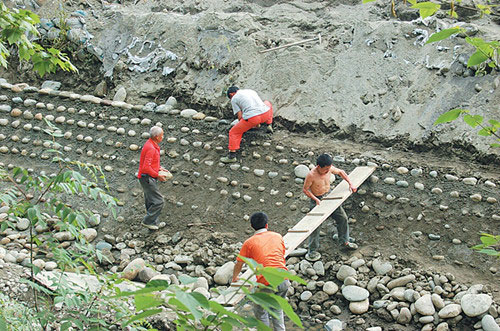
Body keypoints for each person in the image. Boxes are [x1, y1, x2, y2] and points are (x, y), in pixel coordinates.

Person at [232, 212, 290, 331]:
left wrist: (235, 278)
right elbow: (281, 255)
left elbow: (239, 262)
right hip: (283, 279)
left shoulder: (249, 242)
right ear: (267, 225)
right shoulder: (278, 236)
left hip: (266, 281)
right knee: (277, 310)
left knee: (261, 312)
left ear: (252, 226)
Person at [302, 154, 358, 261]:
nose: (328, 171)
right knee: (315, 225)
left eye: (329, 168)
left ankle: (344, 240)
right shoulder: (311, 175)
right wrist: (316, 199)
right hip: (317, 199)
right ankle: (312, 250)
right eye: (326, 169)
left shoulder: (329, 168)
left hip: (329, 195)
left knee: (342, 218)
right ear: (319, 166)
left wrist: (350, 184)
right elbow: (305, 190)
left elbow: (341, 172)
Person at [220, 86, 274, 163]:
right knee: (267, 103)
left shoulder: (234, 98)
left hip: (253, 118)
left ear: (231, 94)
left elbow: (240, 117)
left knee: (234, 132)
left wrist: (243, 125)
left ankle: (232, 156)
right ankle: (269, 124)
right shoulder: (250, 91)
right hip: (266, 114)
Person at [137, 126, 169, 230]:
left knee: (150, 200)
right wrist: (157, 175)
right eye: (161, 135)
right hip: (147, 177)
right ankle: (148, 221)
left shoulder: (151, 145)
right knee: (159, 201)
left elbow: (150, 164)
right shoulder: (151, 148)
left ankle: (154, 222)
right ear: (156, 137)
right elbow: (146, 167)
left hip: (146, 177)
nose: (162, 137)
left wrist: (160, 168)